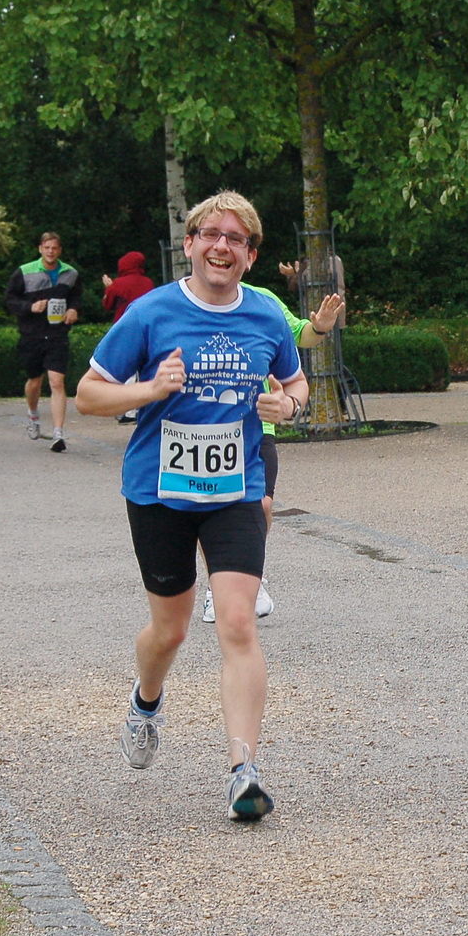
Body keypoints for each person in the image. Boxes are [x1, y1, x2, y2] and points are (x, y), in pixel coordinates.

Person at [75, 190, 308, 823]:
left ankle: (244, 771)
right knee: (171, 628)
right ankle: (146, 698)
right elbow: (88, 395)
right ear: (191, 243)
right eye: (211, 234)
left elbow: (294, 381)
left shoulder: (264, 316)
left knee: (237, 622)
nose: (222, 246)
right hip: (159, 491)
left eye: (236, 239)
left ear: (250, 255)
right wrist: (151, 388)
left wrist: (289, 406)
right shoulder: (152, 312)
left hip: (236, 490)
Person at [199, 282, 343, 624]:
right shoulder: (184, 301)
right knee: (209, 510)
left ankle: (253, 580)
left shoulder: (263, 300)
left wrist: (319, 326)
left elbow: (300, 334)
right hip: (205, 428)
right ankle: (215, 590)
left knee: (261, 504)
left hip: (256, 425)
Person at [5, 232, 82, 451]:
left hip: (58, 335)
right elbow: (9, 300)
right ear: (40, 249)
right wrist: (29, 307)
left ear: (60, 250)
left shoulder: (70, 273)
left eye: (54, 248)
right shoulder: (24, 271)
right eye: (47, 248)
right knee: (35, 381)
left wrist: (74, 310)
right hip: (32, 334)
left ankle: (58, 433)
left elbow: (76, 297)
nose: (51, 252)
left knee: (57, 382)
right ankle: (33, 414)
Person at [102, 251, 156, 323]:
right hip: (144, 324)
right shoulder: (149, 283)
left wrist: (109, 288)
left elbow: (107, 305)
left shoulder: (118, 283)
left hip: (123, 324)